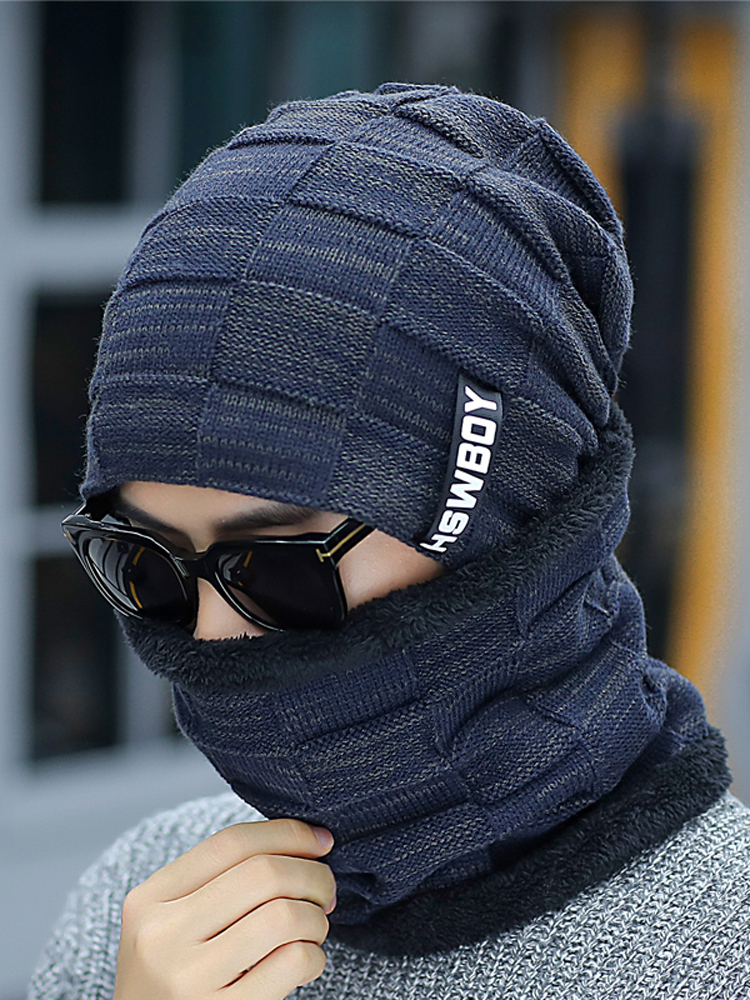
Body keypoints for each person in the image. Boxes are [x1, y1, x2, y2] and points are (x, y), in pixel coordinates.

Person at [29, 83, 750, 1000]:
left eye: (278, 567)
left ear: (507, 525)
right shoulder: (144, 908)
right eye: (145, 567)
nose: (209, 636)